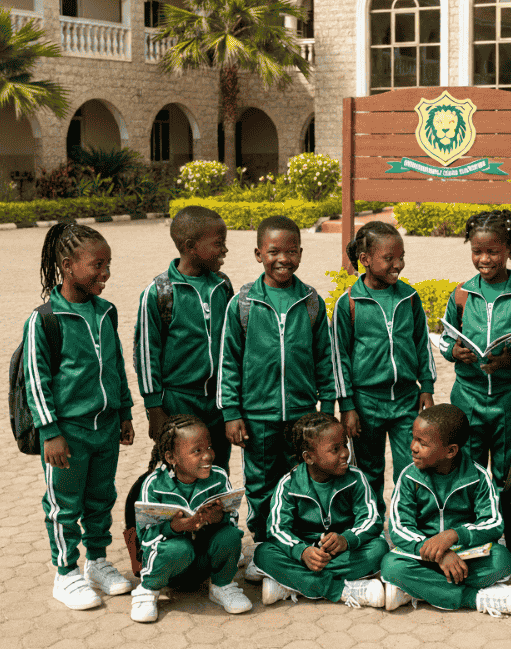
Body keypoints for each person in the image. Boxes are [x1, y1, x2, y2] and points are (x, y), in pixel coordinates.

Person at [24, 223, 134, 610]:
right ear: (68, 266)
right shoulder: (45, 319)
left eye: (108, 264)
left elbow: (116, 364)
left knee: (101, 498)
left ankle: (97, 562)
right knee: (64, 505)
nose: (106, 273)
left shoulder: (106, 311)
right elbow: (35, 380)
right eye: (97, 265)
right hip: (67, 434)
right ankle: (65, 572)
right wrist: (49, 431)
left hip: (105, 427)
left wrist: (124, 411)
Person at [218, 216, 338, 551]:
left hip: (303, 414)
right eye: (273, 252)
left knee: (304, 479)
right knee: (261, 483)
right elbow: (229, 361)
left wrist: (327, 407)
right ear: (258, 254)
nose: (283, 258)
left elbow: (325, 359)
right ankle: (264, 545)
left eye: (291, 251)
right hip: (258, 416)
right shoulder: (243, 303)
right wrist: (231, 412)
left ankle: (298, 543)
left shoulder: (311, 301)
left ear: (300, 253)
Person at [381, 404, 511, 617]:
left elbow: (494, 523)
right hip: (422, 555)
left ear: (450, 451)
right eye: (413, 439)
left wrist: (454, 535)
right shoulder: (408, 477)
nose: (413, 447)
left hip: (465, 556)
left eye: (422, 443)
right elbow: (398, 527)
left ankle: (418, 590)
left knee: (501, 560)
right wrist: (439, 553)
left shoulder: (478, 477)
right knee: (391, 566)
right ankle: (474, 598)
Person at [438, 210, 511, 488]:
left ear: (510, 250)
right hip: (467, 395)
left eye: (493, 252)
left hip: (509, 398)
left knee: (507, 469)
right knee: (467, 467)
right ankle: (474, 513)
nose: (484, 259)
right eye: (477, 251)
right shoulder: (461, 294)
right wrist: (454, 352)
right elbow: (445, 338)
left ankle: (503, 513)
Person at [333, 221, 436, 512]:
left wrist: (427, 387)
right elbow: (339, 357)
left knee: (411, 466)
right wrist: (347, 405)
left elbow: (422, 344)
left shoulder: (409, 298)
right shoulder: (349, 302)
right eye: (389, 258)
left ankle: (407, 520)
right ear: (365, 260)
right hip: (365, 403)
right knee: (368, 470)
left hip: (406, 400)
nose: (398, 264)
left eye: (401, 257)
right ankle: (372, 523)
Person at [253, 412, 389, 607]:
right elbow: (276, 529)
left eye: (345, 445)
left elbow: (371, 519)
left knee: (379, 548)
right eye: (335, 449)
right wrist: (302, 551)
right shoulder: (289, 484)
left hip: (341, 551)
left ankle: (292, 584)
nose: (345, 453)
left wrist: (346, 539)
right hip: (305, 554)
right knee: (263, 553)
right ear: (309, 457)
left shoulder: (356, 478)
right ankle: (342, 590)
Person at [134, 205, 233, 472]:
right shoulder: (159, 292)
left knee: (216, 470)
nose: (225, 250)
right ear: (191, 246)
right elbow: (146, 354)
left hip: (218, 403)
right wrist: (154, 408)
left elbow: (232, 343)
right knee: (182, 474)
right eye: (218, 244)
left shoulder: (222, 286)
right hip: (178, 403)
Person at [129, 415, 251, 622]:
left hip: (203, 564)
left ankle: (221, 585)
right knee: (179, 549)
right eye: (197, 451)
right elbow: (145, 538)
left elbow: (232, 520)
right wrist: (175, 527)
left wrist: (218, 518)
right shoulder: (154, 484)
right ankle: (148, 590)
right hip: (170, 567)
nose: (208, 456)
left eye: (209, 447)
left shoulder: (218, 477)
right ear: (171, 457)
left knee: (230, 535)